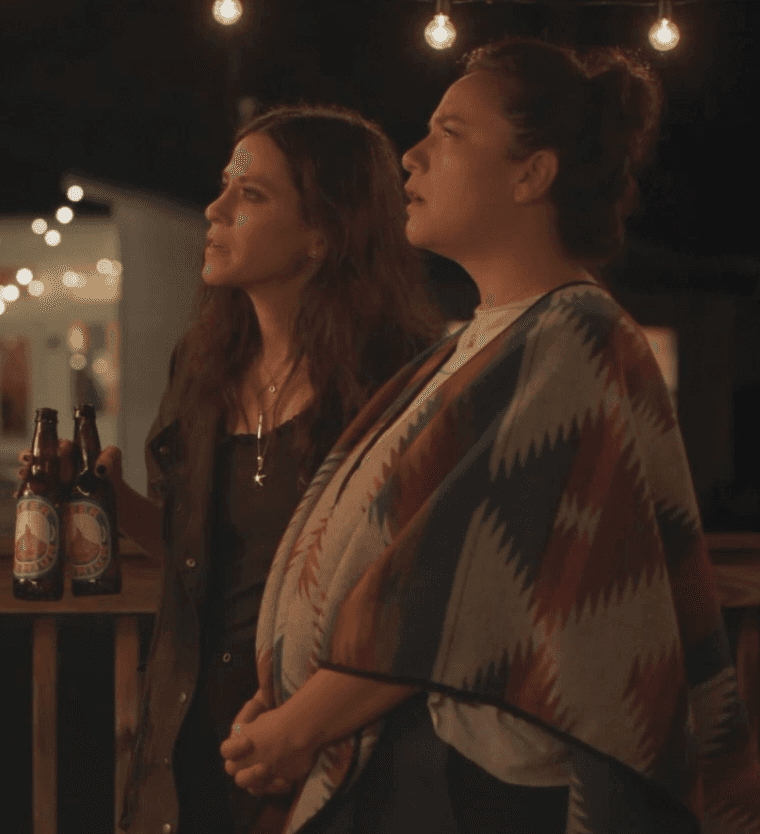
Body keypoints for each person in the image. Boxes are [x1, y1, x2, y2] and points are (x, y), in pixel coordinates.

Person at [219, 37, 760, 834]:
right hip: (421, 769)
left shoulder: (578, 337)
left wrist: (300, 726)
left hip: (483, 791)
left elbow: (455, 583)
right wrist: (289, 701)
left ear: (531, 173)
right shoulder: (472, 347)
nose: (412, 156)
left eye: (450, 133)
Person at [18, 103, 449, 834]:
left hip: (330, 732)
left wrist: (308, 724)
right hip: (194, 730)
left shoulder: (398, 375)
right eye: (223, 187)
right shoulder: (203, 365)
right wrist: (111, 501)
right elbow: (198, 562)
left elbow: (418, 586)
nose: (214, 210)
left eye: (250, 195)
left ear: (324, 233)